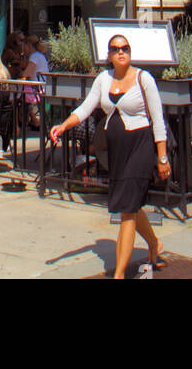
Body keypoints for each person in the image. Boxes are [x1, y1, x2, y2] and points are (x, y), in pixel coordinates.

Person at [49, 33, 170, 279]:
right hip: (118, 151)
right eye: (115, 49)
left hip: (141, 146)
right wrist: (63, 125)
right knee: (132, 205)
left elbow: (158, 120)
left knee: (126, 210)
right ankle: (154, 244)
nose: (121, 52)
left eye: (125, 48)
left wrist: (162, 157)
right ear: (109, 55)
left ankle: (119, 274)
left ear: (130, 51)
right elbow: (86, 107)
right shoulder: (103, 79)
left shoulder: (143, 79)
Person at [22, 35, 50, 127]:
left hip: (38, 90)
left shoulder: (34, 56)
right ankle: (34, 119)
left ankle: (34, 120)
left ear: (28, 45)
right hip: (41, 88)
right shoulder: (39, 55)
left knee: (18, 94)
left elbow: (26, 74)